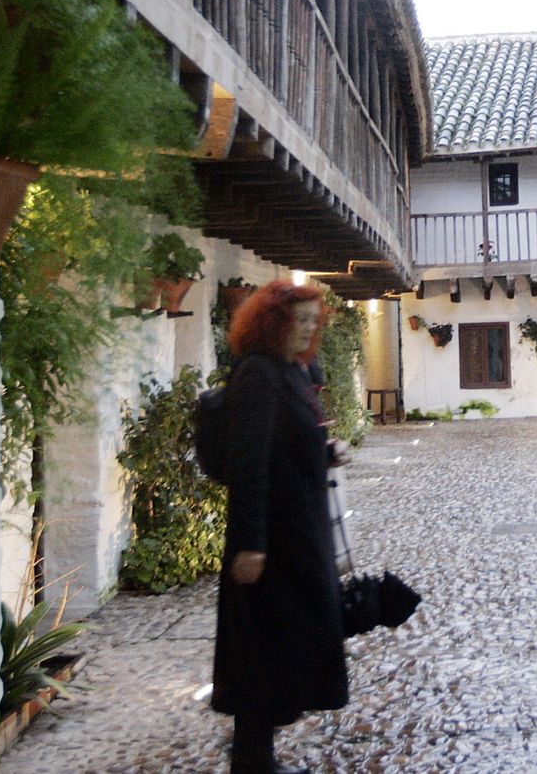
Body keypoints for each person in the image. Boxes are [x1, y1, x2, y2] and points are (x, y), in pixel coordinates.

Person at [212, 280, 349, 774]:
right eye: (302, 319)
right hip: (271, 539)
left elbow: (288, 440)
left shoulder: (291, 372)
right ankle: (251, 761)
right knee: (261, 649)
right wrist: (250, 544)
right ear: (275, 322)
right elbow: (249, 462)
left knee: (278, 644)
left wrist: (326, 450)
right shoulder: (258, 376)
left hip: (297, 533)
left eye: (315, 320)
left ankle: (256, 757)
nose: (311, 328)